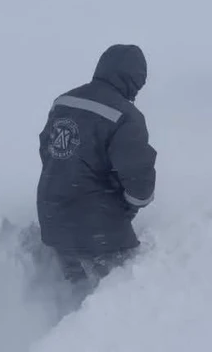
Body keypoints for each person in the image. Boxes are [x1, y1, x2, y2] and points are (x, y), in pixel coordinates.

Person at [36, 44, 157, 305]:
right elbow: (140, 184)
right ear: (133, 80)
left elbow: (49, 153)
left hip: (52, 221)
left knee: (79, 294)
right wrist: (126, 206)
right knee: (119, 302)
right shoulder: (126, 116)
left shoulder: (64, 102)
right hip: (99, 232)